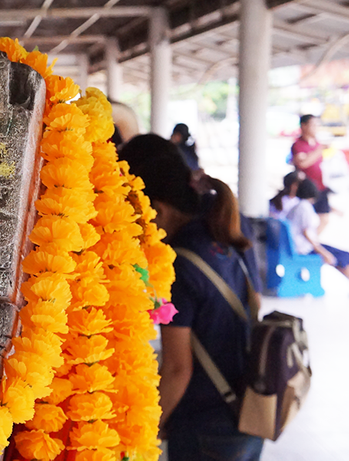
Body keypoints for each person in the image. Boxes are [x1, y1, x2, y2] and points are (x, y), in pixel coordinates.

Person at [119, 134, 263, 461]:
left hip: (204, 423)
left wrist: (148, 427)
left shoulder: (179, 265)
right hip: (247, 409)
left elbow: (177, 370)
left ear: (156, 208)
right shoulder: (228, 234)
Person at [285, 178, 349, 279]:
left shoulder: (296, 206)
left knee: (341, 257)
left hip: (296, 246)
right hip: (304, 249)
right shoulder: (305, 207)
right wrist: (323, 252)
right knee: (343, 257)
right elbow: (306, 234)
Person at [291, 114, 331, 234]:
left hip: (320, 186)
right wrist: (319, 150)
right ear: (304, 126)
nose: (316, 128)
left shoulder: (316, 143)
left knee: (324, 218)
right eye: (313, 125)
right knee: (305, 221)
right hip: (306, 188)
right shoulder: (298, 145)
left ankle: (312, 242)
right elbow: (303, 164)